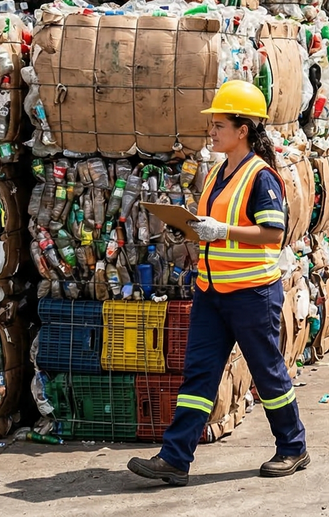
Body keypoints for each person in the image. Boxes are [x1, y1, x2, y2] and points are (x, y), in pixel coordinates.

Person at [128, 80, 308, 486]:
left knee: (268, 374)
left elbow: (272, 234)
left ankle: (293, 447)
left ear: (243, 129)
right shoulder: (218, 173)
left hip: (251, 294)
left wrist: (221, 230)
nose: (211, 131)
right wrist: (189, 230)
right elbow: (214, 229)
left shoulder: (260, 177)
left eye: (219, 124)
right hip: (211, 292)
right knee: (199, 376)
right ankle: (175, 459)